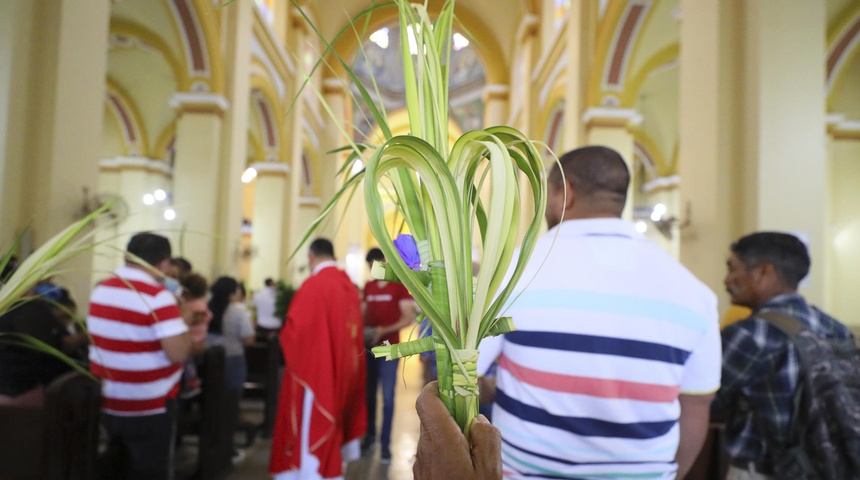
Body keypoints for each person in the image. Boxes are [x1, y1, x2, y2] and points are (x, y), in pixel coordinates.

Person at [476, 146, 721, 479]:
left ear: (566, 194)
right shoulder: (694, 292)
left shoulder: (515, 271)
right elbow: (696, 405)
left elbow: (464, 376)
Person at [711, 232, 853, 480]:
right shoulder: (835, 327)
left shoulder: (750, 333)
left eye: (733, 269)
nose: (727, 280)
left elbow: (708, 401)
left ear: (764, 272)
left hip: (763, 471)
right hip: (830, 465)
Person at [88, 232, 193, 480]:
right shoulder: (157, 296)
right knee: (148, 472)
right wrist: (184, 322)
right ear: (164, 264)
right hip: (148, 404)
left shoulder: (101, 290)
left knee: (113, 468)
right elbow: (178, 353)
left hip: (108, 398)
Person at [270, 238, 367, 479]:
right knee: (335, 414)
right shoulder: (348, 286)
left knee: (311, 428)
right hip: (343, 368)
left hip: (316, 373)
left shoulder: (314, 285)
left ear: (311, 257)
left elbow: (295, 331)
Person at [361, 247, 416, 463]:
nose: (372, 269)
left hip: (390, 349)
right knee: (369, 395)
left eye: (375, 265)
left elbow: (408, 318)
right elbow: (363, 313)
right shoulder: (369, 286)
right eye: (369, 267)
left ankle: (385, 444)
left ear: (383, 263)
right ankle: (370, 436)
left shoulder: (398, 286)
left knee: (388, 398)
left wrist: (382, 330)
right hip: (369, 348)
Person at [207, 276, 255, 391]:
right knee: (231, 397)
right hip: (233, 358)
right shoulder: (238, 311)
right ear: (232, 293)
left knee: (211, 396)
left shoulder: (207, 308)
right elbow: (248, 340)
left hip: (208, 359)